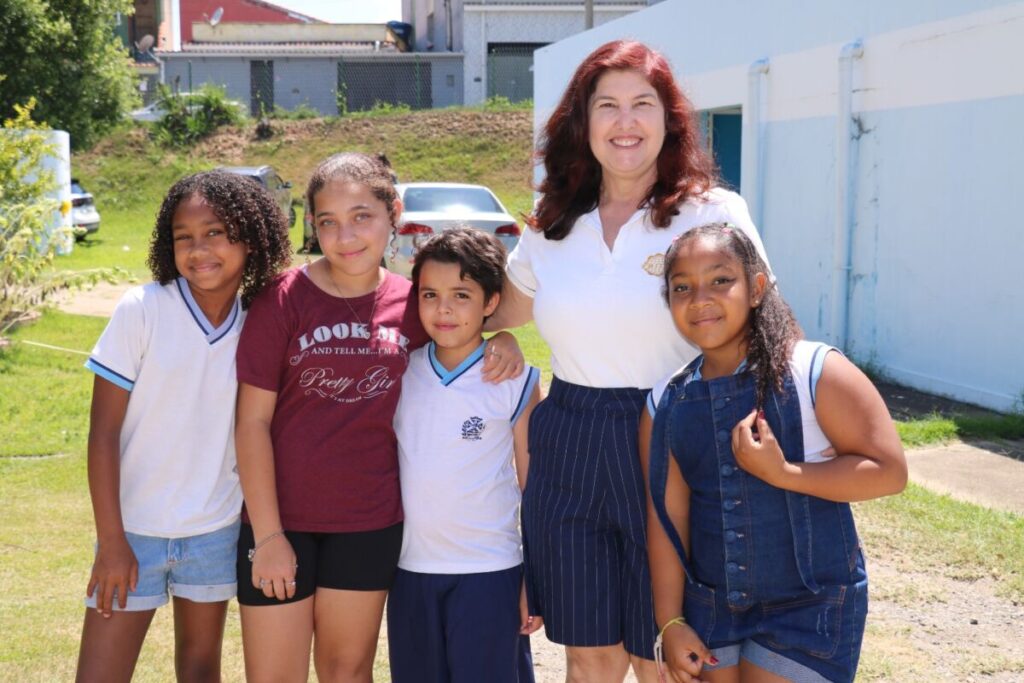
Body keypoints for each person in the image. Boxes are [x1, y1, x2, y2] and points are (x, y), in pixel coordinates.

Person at [485, 40, 771, 682]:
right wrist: (492, 337)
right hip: (569, 440)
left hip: (674, 434)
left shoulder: (711, 212)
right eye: (607, 105)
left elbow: (768, 323)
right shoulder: (552, 223)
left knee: (660, 655)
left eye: (643, 103)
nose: (625, 122)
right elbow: (499, 308)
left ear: (670, 119)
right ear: (582, 121)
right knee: (588, 655)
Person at [233, 153, 524, 682]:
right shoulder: (282, 299)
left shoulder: (413, 304)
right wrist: (269, 535)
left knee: (347, 672)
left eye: (362, 216)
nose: (345, 236)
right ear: (312, 224)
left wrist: (502, 338)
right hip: (281, 521)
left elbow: (480, 314)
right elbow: (251, 423)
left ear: (394, 214)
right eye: (328, 221)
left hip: (368, 524)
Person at [642, 223, 907, 683]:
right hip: (710, 612)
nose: (700, 298)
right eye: (682, 287)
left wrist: (784, 472)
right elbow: (667, 519)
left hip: (810, 606)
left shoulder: (814, 371)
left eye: (720, 280)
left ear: (757, 288)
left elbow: (889, 472)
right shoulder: (665, 401)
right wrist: (671, 621)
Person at [75, 171, 292, 683]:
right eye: (183, 237)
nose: (199, 249)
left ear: (250, 237)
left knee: (199, 670)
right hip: (132, 533)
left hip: (213, 532)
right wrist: (111, 541)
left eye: (215, 232)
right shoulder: (143, 309)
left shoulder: (259, 323)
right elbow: (102, 435)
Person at [387, 226, 544, 682]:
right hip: (411, 571)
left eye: (461, 295)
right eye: (430, 295)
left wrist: (533, 577)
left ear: (491, 302)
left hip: (491, 572)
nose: (444, 309)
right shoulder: (398, 371)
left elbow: (534, 485)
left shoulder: (516, 380)